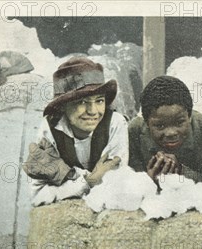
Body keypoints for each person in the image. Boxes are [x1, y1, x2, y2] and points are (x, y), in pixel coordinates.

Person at [23, 57, 128, 206]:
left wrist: (68, 181)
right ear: (63, 105)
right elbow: (37, 195)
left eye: (99, 101)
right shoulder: (50, 129)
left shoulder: (115, 123)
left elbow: (116, 187)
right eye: (82, 102)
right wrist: (89, 182)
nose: (93, 112)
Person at [129, 76, 202, 185]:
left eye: (179, 123)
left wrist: (181, 170)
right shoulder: (135, 131)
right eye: (160, 126)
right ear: (147, 123)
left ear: (189, 117)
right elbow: (127, 181)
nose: (171, 133)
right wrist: (147, 181)